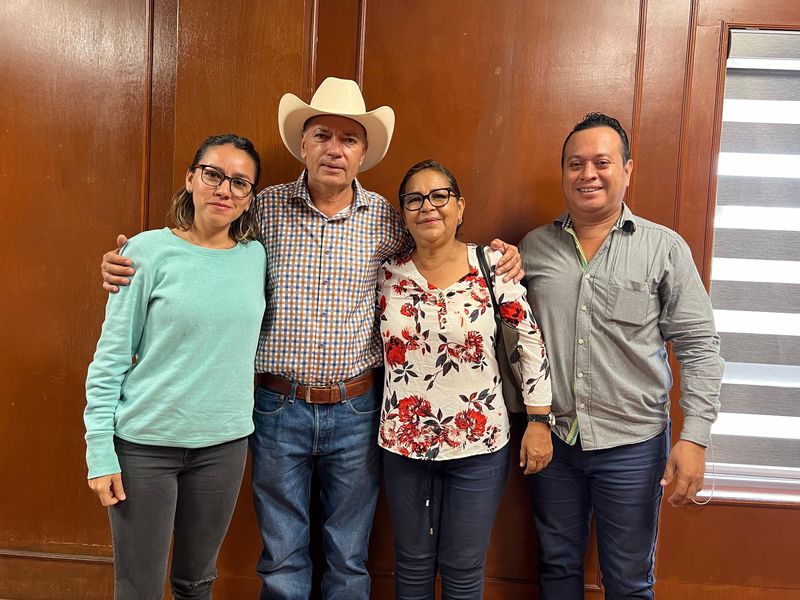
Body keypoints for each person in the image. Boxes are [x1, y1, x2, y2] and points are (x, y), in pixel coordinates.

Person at [99, 77, 522, 600]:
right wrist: (128, 261)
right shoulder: (262, 210)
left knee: (348, 555)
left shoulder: (390, 222)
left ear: (363, 153)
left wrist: (498, 255)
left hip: (357, 408)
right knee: (282, 556)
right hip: (277, 407)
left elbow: (439, 251)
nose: (334, 149)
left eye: (349, 139)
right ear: (302, 144)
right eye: (322, 135)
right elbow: (199, 244)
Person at [518, 113, 724, 600]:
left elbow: (699, 345)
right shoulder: (533, 249)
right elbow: (515, 343)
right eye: (575, 163)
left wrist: (695, 439)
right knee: (557, 567)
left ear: (627, 170)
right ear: (563, 172)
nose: (587, 173)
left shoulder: (663, 249)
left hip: (633, 444)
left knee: (629, 581)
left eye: (602, 162)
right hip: (555, 442)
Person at [84, 134, 267, 600]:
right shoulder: (145, 253)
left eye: (240, 182)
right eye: (213, 175)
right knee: (140, 587)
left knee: (196, 582)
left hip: (222, 447)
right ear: (191, 180)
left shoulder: (256, 258)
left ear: (250, 199)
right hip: (146, 447)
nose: (224, 189)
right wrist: (99, 452)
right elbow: (109, 360)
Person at [377, 159, 552, 600]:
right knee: (412, 565)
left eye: (439, 196)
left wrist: (539, 420)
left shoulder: (493, 266)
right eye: (414, 199)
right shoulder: (386, 274)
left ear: (459, 207)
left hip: (479, 444)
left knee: (463, 567)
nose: (427, 206)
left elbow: (528, 343)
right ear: (403, 213)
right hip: (403, 442)